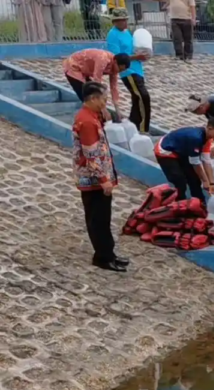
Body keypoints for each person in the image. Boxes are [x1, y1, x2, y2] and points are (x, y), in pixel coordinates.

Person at [72, 82, 129, 272]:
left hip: (98, 177)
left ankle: (108, 253)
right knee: (98, 219)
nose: (106, 103)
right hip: (94, 180)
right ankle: (103, 257)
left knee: (104, 217)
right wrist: (104, 180)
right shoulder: (87, 121)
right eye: (104, 99)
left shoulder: (92, 116)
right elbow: (91, 154)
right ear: (93, 98)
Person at [154, 118, 214, 201]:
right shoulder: (196, 138)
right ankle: (180, 203)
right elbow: (195, 163)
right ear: (209, 128)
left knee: (194, 178)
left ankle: (200, 202)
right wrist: (205, 181)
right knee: (180, 181)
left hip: (181, 150)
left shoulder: (207, 139)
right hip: (165, 150)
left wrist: (212, 183)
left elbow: (206, 162)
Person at [106, 8, 152, 133]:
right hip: (128, 71)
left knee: (137, 98)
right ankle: (143, 128)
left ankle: (134, 124)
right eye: (122, 20)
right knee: (143, 97)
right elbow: (116, 57)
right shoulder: (113, 35)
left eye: (125, 20)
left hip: (137, 69)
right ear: (115, 21)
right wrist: (136, 57)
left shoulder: (126, 33)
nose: (125, 22)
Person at [63, 49, 125, 120]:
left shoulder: (115, 68)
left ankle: (96, 118)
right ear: (115, 62)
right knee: (87, 97)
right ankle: (87, 120)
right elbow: (97, 81)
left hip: (84, 70)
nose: (119, 71)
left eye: (122, 70)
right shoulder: (103, 59)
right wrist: (103, 108)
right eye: (119, 69)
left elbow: (114, 88)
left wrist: (118, 110)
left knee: (94, 96)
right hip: (73, 66)